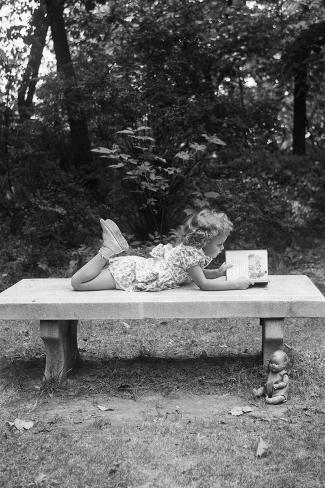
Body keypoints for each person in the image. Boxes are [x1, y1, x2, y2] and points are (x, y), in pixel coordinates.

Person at [71, 208, 253, 292]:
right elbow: (203, 285)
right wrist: (237, 285)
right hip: (133, 274)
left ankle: (109, 250)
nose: (222, 248)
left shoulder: (194, 252)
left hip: (138, 270)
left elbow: (195, 274)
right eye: (219, 244)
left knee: (84, 281)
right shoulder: (190, 255)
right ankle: (108, 250)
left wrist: (216, 272)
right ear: (204, 241)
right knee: (78, 283)